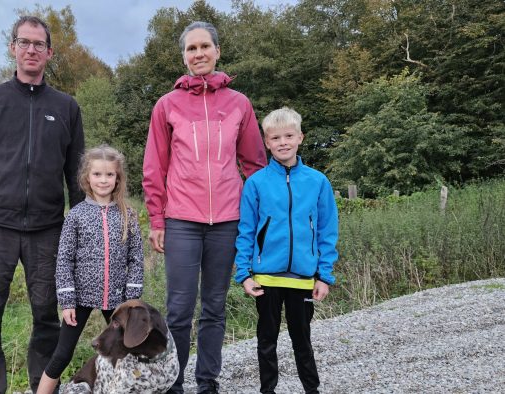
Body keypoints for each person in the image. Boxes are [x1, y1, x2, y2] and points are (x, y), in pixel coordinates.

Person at [0, 15, 84, 394]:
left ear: (49, 53)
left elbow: (76, 175)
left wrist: (80, 232)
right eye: (24, 42)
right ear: (13, 48)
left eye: (39, 44)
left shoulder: (66, 107)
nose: (31, 50)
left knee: (48, 317)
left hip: (49, 230)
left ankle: (42, 387)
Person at [142, 21, 267, 394]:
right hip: (181, 219)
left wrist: (257, 218)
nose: (198, 54)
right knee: (179, 310)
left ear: (217, 51)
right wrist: (156, 218)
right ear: (184, 56)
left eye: (204, 47)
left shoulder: (239, 104)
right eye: (191, 49)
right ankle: (174, 382)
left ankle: (207, 381)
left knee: (214, 307)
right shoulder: (167, 105)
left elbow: (255, 164)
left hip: (228, 220)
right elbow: (155, 167)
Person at [234, 106, 339, 394]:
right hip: (266, 278)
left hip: (304, 278)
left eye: (289, 136)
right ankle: (267, 390)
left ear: (300, 137)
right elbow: (246, 231)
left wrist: (324, 276)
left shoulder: (318, 181)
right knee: (266, 340)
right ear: (267, 142)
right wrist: (244, 274)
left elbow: (328, 231)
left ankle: (312, 389)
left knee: (302, 339)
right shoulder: (255, 183)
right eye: (276, 138)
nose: (283, 142)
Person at [37, 145, 144, 394]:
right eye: (97, 174)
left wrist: (132, 300)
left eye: (109, 174)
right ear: (87, 177)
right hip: (81, 297)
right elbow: (64, 260)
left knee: (129, 352)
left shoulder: (128, 215)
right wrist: (67, 301)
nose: (103, 180)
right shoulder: (76, 215)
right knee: (62, 353)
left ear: (118, 178)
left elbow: (136, 258)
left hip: (118, 299)